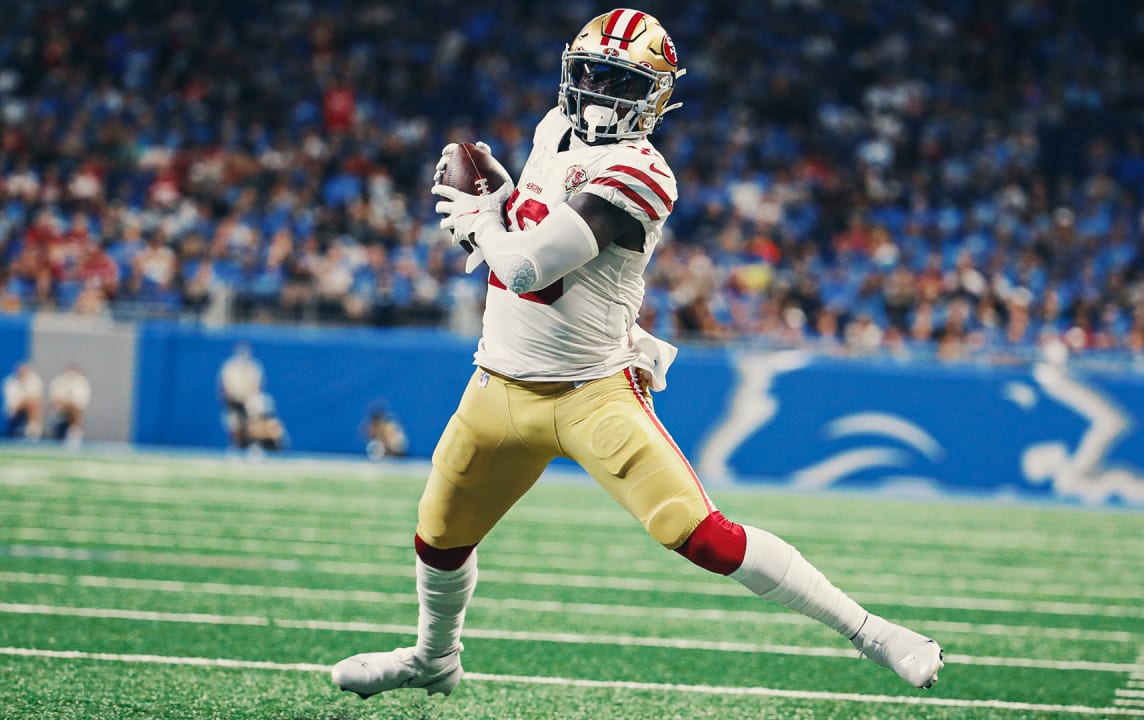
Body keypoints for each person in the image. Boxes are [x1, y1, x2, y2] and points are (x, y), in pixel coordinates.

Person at [331, 8, 943, 700]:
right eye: (589, 74)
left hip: (591, 391)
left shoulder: (641, 171)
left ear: (656, 97)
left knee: (699, 534)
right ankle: (434, 659)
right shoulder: (551, 130)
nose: (597, 93)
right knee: (438, 536)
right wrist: (501, 203)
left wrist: (478, 223)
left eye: (619, 82)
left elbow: (530, 267)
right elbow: (530, 230)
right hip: (498, 381)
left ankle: (874, 633)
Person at [218, 342, 263, 448]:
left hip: (249, 400)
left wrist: (249, 399)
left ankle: (254, 443)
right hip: (233, 400)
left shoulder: (254, 367)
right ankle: (236, 445)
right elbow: (224, 386)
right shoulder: (229, 367)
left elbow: (257, 386)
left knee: (254, 416)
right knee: (234, 422)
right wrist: (230, 399)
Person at [47, 363, 91, 445]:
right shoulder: (58, 382)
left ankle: (74, 434)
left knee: (74, 409)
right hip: (59, 412)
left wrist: (68, 403)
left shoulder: (82, 383)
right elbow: (54, 401)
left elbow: (81, 404)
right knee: (71, 407)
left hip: (75, 411)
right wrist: (66, 402)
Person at [3, 362, 43, 440]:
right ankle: (32, 431)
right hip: (14, 409)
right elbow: (11, 402)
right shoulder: (9, 382)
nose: (22, 373)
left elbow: (36, 398)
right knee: (30, 403)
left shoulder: (34, 380)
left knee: (33, 404)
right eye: (20, 371)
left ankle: (32, 430)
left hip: (30, 408)